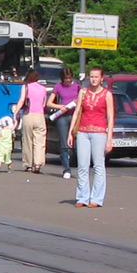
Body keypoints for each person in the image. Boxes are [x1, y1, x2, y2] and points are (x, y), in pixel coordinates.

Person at [67, 65, 114, 208]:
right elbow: (76, 112)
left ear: (101, 78)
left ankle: (97, 198)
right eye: (91, 77)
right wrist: (71, 132)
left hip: (99, 132)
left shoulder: (106, 94)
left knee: (98, 166)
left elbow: (110, 117)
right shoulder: (83, 92)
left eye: (96, 77)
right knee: (82, 165)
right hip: (83, 131)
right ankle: (82, 197)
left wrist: (110, 139)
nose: (93, 79)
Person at [46, 66, 80, 179]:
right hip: (63, 117)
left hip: (75, 116)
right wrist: (61, 107)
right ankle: (66, 169)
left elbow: (82, 100)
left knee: (77, 143)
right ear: (62, 78)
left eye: (70, 78)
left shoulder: (77, 87)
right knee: (64, 144)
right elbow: (49, 103)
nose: (68, 80)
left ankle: (80, 168)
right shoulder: (58, 87)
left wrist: (77, 102)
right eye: (66, 78)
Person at [13, 68, 48, 174]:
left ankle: (28, 165)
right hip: (40, 116)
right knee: (40, 141)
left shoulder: (26, 86)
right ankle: (38, 164)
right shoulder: (43, 88)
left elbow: (22, 100)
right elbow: (43, 103)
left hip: (28, 115)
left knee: (27, 140)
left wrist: (16, 113)